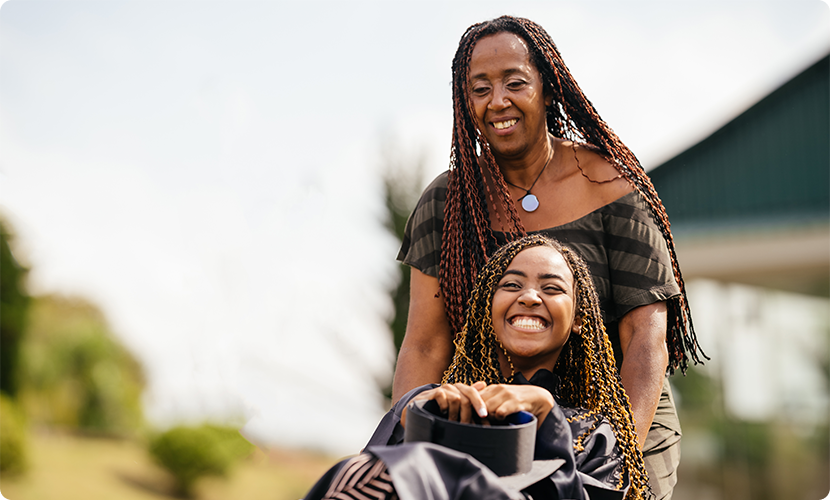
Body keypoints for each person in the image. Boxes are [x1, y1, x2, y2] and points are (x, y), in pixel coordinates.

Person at [394, 15, 705, 499]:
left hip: (618, 411)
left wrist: (615, 460)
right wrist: (407, 448)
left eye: (515, 82)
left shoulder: (612, 187)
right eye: (480, 88)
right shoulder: (447, 202)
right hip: (497, 418)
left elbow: (646, 337)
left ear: (548, 86)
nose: (497, 101)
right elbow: (425, 345)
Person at [306, 235, 650, 500]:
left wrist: (549, 422)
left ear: (578, 320)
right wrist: (416, 425)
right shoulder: (433, 403)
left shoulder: (595, 436)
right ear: (489, 307)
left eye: (552, 288)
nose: (529, 297)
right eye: (512, 285)